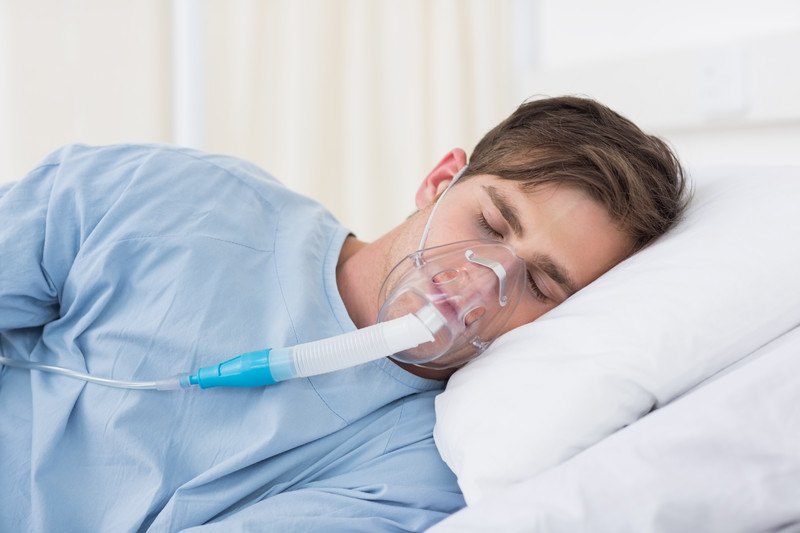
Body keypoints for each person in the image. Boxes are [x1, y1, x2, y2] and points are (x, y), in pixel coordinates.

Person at [0, 96, 688, 531]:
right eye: (491, 221)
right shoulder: (171, 199)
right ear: (439, 179)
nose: (482, 284)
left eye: (541, 282)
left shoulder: (422, 469)